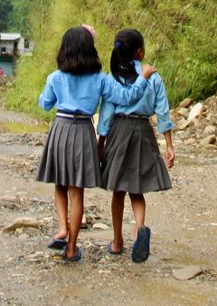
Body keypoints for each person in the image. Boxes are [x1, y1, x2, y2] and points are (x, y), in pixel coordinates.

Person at [36, 25, 156, 263]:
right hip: (83, 132)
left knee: (60, 184)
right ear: (91, 51)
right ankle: (72, 248)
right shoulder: (100, 79)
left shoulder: (55, 77)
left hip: (61, 129)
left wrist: (54, 90)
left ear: (64, 50)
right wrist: (143, 78)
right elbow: (127, 97)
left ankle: (62, 228)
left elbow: (45, 104)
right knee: (76, 191)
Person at [97, 28, 174, 263]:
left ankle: (117, 241)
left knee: (118, 191)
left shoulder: (113, 77)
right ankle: (140, 228)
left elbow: (106, 113)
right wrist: (169, 145)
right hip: (143, 132)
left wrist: (101, 142)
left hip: (119, 131)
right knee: (136, 189)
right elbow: (162, 111)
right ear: (140, 52)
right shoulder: (153, 76)